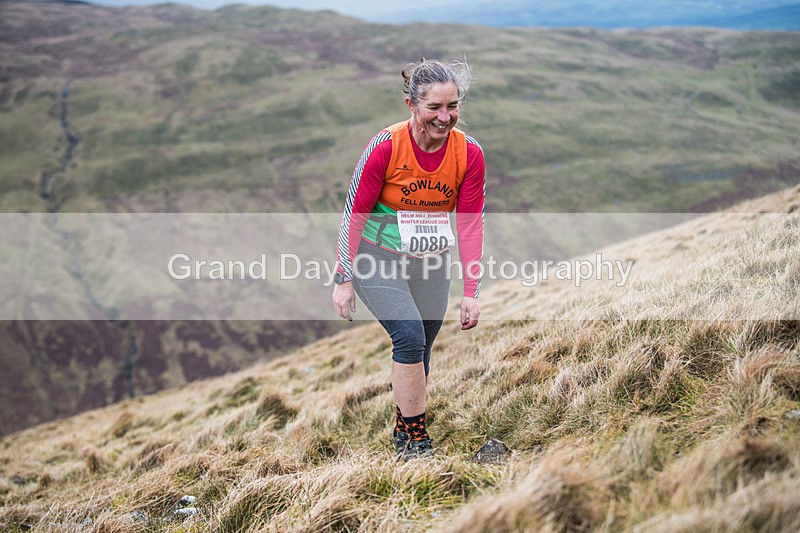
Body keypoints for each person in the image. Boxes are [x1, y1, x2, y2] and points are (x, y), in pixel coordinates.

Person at [332, 58, 485, 461]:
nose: (445, 116)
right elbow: (354, 214)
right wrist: (343, 277)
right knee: (410, 337)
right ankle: (414, 441)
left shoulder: (469, 153)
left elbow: (469, 224)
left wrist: (472, 290)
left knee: (422, 350)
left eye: (452, 106)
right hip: (376, 256)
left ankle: (404, 424)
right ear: (411, 105)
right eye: (434, 107)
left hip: (431, 261)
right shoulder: (386, 146)